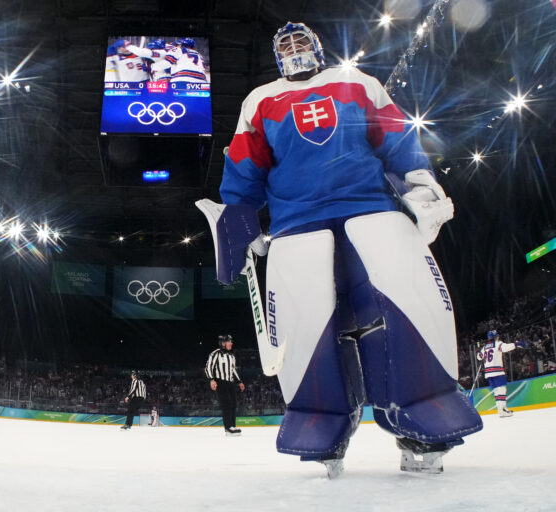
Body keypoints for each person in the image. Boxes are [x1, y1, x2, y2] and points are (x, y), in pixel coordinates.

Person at [203, 22, 482, 476]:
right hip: (296, 226)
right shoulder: (259, 99)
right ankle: (322, 424)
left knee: (401, 308)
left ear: (317, 48)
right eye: (285, 44)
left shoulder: (358, 83)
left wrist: (419, 187)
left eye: (300, 41)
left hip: (371, 211)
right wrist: (239, 219)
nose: (294, 48)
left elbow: (396, 136)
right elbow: (243, 162)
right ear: (277, 58)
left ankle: (424, 416)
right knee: (309, 324)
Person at [477, 330, 526, 417]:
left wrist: (481, 355)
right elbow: (506, 347)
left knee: (497, 391)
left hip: (488, 373)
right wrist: (516, 343)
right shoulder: (498, 344)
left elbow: (479, 357)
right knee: (502, 390)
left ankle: (502, 409)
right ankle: (502, 410)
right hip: (497, 371)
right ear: (495, 337)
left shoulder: (484, 347)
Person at [205, 335, 245, 436]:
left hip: (230, 382)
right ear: (223, 343)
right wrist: (211, 380)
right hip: (220, 382)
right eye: (229, 341)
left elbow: (233, 370)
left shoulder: (231, 356)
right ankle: (228, 428)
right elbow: (208, 367)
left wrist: (239, 381)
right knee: (226, 404)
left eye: (231, 341)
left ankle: (232, 426)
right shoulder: (216, 354)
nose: (231, 343)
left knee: (233, 404)